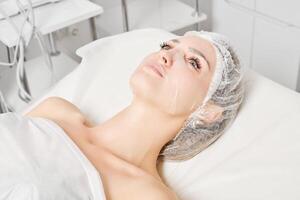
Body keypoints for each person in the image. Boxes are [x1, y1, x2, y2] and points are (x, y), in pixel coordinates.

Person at [25, 30, 244, 200]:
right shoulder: (56, 111)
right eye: (166, 46)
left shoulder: (146, 195)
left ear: (208, 112)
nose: (166, 55)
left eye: (193, 62)